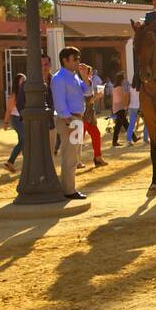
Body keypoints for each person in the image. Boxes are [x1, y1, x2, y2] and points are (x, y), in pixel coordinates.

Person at [50, 46, 92, 199]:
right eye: (75, 59)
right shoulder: (59, 78)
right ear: (65, 60)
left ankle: (69, 188)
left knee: (74, 156)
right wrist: (69, 120)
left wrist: (85, 77)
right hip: (70, 119)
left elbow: (87, 92)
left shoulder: (73, 76)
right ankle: (68, 190)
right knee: (70, 155)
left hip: (76, 119)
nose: (77, 62)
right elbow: (60, 102)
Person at [80, 63, 108, 168]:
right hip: (85, 113)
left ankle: (98, 157)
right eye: (90, 72)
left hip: (89, 113)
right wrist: (97, 96)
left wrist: (96, 96)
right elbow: (88, 101)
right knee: (80, 138)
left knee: (95, 134)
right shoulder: (84, 83)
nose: (92, 73)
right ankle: (77, 160)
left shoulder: (89, 82)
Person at [3, 73, 25, 173]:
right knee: (24, 140)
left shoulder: (23, 93)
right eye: (22, 80)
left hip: (21, 119)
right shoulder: (14, 95)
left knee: (23, 141)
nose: (24, 82)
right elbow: (9, 110)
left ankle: (12, 162)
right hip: (16, 119)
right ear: (17, 82)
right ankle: (11, 161)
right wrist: (6, 122)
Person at [111, 73, 130, 146]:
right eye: (123, 78)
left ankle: (134, 137)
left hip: (117, 107)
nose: (124, 80)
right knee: (118, 126)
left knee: (125, 124)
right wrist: (126, 107)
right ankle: (114, 141)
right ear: (121, 80)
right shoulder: (120, 88)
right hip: (120, 107)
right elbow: (123, 98)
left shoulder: (114, 87)